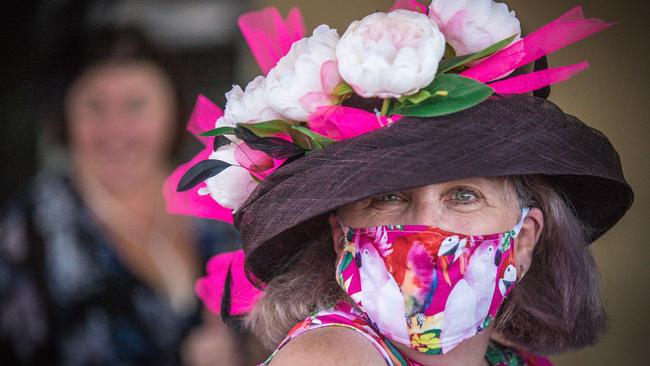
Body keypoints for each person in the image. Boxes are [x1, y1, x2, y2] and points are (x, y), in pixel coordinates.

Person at [166, 1, 634, 366]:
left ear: (526, 239)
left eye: (464, 195)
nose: (426, 223)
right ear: (339, 234)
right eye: (386, 198)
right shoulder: (328, 356)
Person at [0, 26, 252, 365]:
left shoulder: (224, 197)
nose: (116, 128)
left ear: (173, 110)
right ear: (64, 115)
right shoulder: (28, 233)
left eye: (136, 105)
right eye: (95, 106)